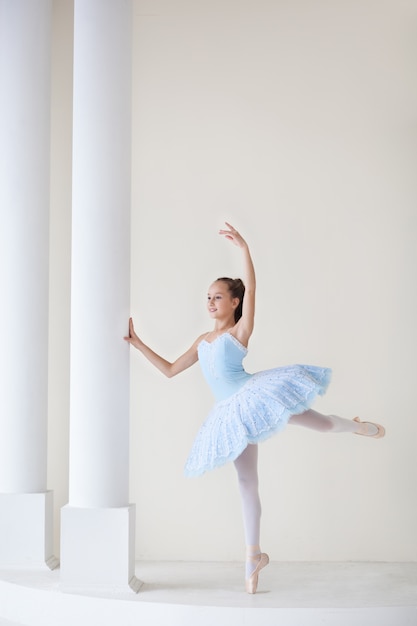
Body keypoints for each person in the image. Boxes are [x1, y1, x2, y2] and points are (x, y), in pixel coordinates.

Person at [124, 222, 385, 594]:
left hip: (256, 395)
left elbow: (254, 287)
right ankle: (253, 557)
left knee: (323, 425)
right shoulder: (203, 340)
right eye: (208, 296)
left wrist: (244, 247)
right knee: (247, 482)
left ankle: (356, 426)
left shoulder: (239, 332)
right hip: (229, 414)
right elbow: (168, 370)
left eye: (218, 296)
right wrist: (137, 344)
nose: (211, 301)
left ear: (234, 302)